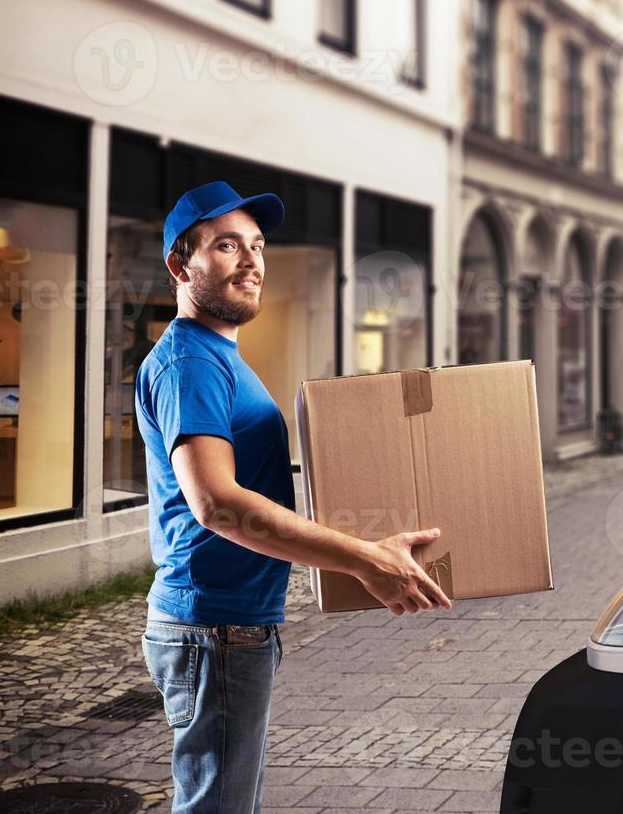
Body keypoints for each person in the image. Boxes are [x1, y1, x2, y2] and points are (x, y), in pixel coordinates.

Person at [136, 182, 453, 814]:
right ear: (180, 264)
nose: (251, 261)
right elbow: (217, 504)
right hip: (214, 625)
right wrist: (363, 557)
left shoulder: (220, 355)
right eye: (227, 245)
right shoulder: (192, 364)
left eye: (256, 245)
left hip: (234, 622)